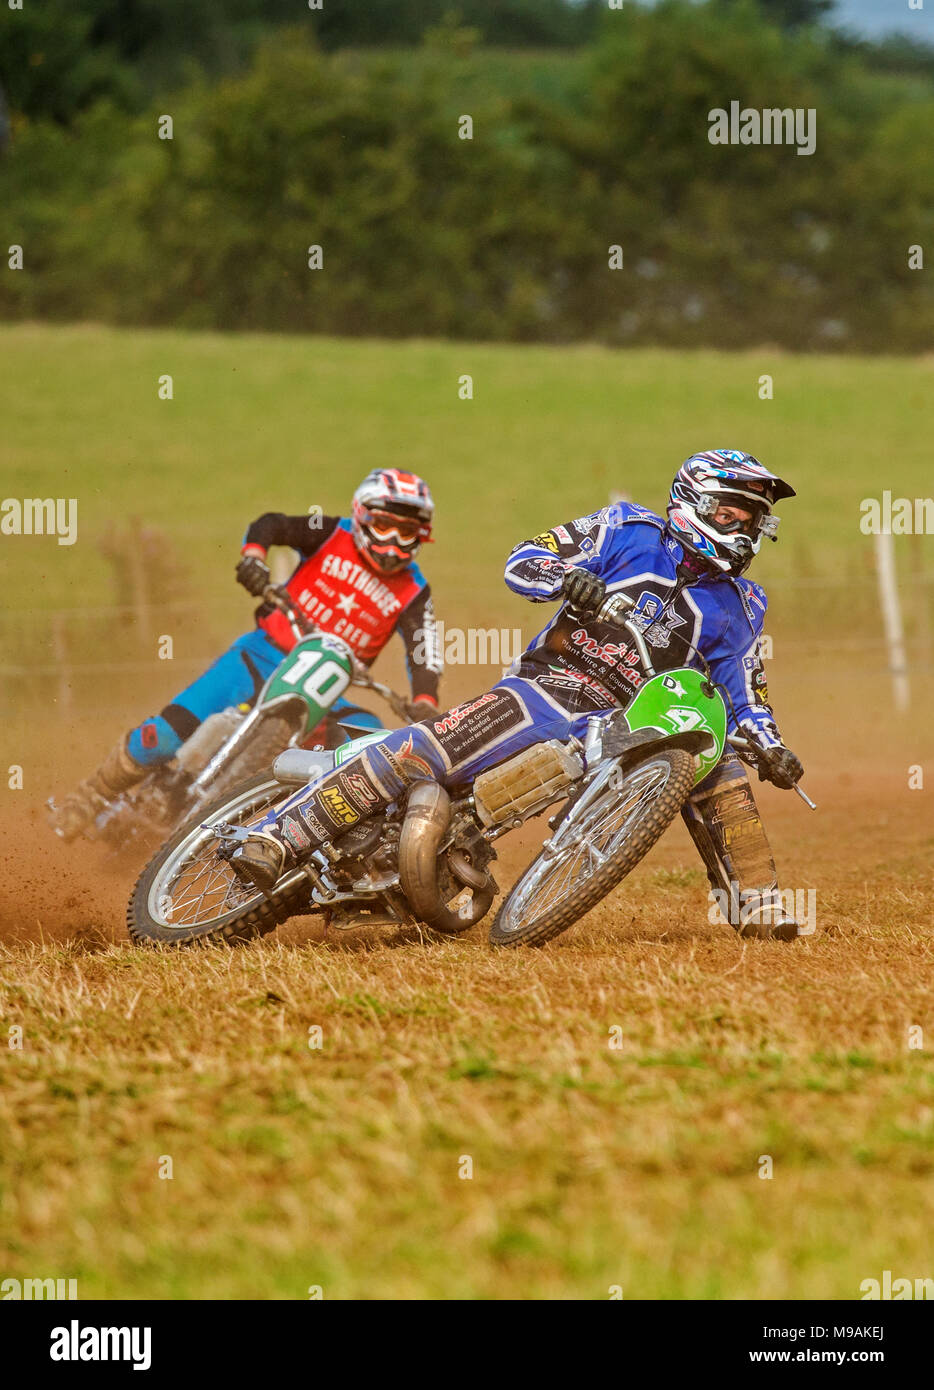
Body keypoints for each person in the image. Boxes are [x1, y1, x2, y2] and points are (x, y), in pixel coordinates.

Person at [228, 450, 806, 942]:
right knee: (428, 751)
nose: (748, 529)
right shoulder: (626, 530)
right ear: (697, 504)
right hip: (555, 681)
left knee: (715, 748)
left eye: (756, 519)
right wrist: (566, 579)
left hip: (629, 719)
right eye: (738, 513)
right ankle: (277, 836)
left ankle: (754, 900)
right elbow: (523, 560)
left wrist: (773, 749)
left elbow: (742, 698)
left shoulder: (742, 605)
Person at [50, 469, 443, 840]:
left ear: (421, 535)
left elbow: (422, 647)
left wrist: (425, 702)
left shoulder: (415, 589)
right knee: (161, 738)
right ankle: (89, 796)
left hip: (326, 688)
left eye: (405, 531)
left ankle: (305, 846)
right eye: (383, 525)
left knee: (372, 742)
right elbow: (270, 524)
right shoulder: (330, 531)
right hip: (259, 657)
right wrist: (254, 557)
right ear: (361, 516)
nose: (392, 540)